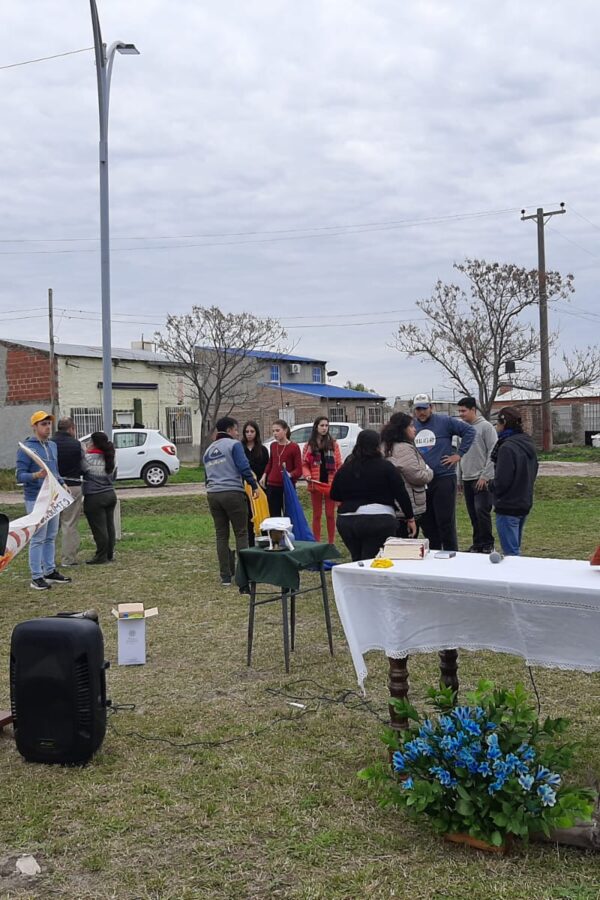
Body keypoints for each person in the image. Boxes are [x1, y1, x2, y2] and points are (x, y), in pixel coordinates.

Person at [330, 429, 416, 561]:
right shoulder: (386, 467)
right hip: (379, 519)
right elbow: (401, 493)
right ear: (378, 446)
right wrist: (410, 518)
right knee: (372, 560)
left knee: (357, 560)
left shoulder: (345, 468)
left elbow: (334, 494)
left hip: (347, 520)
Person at [15, 410, 72, 590]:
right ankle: (36, 576)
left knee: (51, 536)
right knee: (38, 537)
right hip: (36, 499)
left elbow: (54, 471)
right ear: (34, 426)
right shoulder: (26, 448)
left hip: (53, 497)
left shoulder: (52, 445)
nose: (47, 427)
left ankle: (49, 570)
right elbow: (19, 476)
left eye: (49, 424)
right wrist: (35, 475)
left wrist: (62, 483)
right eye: (43, 424)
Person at [412, 393, 476, 551]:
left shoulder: (444, 421)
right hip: (422, 480)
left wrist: (458, 454)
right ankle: (434, 552)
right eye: (418, 409)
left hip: (444, 477)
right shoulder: (412, 426)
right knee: (427, 522)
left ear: (431, 407)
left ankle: (451, 553)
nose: (421, 412)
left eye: (424, 408)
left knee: (445, 521)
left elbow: (470, 431)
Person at [204, 416, 259, 586]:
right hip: (233, 493)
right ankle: (244, 575)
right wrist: (254, 485)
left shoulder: (208, 450)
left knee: (221, 535)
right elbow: (243, 467)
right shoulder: (234, 445)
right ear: (229, 430)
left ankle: (225, 576)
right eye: (236, 430)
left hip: (213, 494)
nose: (237, 433)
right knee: (241, 533)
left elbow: (206, 476)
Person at [491, 406, 538, 556]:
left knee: (511, 554)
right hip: (523, 500)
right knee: (515, 548)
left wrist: (490, 485)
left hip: (508, 505)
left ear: (503, 423)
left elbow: (502, 481)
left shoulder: (507, 447)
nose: (496, 426)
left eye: (497, 423)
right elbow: (534, 470)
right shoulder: (527, 443)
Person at [381, 412, 433, 537]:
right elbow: (416, 476)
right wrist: (429, 472)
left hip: (391, 504)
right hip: (407, 505)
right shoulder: (404, 448)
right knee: (407, 541)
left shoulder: (384, 445)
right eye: (411, 426)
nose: (414, 429)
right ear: (402, 429)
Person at [457, 397, 498, 554]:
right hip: (467, 478)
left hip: (481, 478)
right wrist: (459, 478)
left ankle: (488, 543)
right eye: (459, 411)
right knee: (473, 514)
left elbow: (493, 452)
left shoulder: (486, 427)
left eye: (463, 411)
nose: (461, 414)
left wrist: (485, 476)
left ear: (473, 410)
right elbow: (460, 454)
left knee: (482, 511)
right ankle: (477, 544)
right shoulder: (461, 429)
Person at [302, 416, 343, 543]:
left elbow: (338, 464)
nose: (324, 428)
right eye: (322, 425)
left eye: (326, 425)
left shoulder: (333, 444)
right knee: (317, 515)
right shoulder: (309, 446)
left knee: (330, 515)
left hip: (330, 483)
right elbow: (304, 464)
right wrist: (307, 475)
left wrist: (339, 481)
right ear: (316, 427)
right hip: (315, 483)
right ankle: (317, 542)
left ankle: (331, 542)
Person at [53, 416, 85, 566]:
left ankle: (48, 560)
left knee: (52, 525)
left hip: (53, 487)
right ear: (71, 428)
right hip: (73, 485)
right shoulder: (76, 444)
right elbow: (83, 465)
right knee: (69, 523)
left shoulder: (50, 443)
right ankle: (68, 559)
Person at [82, 431, 118, 565]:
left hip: (94, 497)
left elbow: (81, 470)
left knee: (99, 528)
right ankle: (109, 553)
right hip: (110, 494)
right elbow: (114, 477)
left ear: (93, 443)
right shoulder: (111, 458)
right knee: (110, 526)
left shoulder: (88, 459)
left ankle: (101, 556)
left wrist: (84, 452)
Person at [260, 419, 302, 517]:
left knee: (289, 514)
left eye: (277, 430)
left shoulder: (294, 447)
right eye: (273, 431)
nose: (275, 433)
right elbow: (271, 462)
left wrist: (290, 474)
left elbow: (299, 470)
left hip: (286, 485)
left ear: (285, 430)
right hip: (272, 485)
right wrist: (264, 475)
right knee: (274, 515)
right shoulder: (273, 445)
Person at [241, 420, 269, 546]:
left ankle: (265, 541)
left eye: (252, 431)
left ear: (256, 433)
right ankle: (251, 544)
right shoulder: (240, 448)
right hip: (244, 488)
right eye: (247, 431)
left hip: (260, 487)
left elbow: (266, 467)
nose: (249, 434)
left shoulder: (262, 449)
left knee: (262, 514)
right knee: (248, 517)